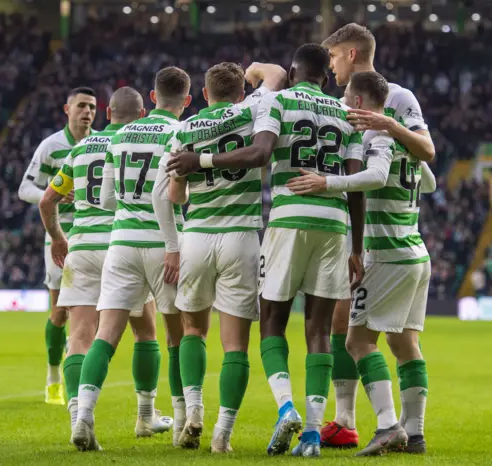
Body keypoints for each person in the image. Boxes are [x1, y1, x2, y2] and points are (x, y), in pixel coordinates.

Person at [167, 44, 365, 458]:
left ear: (294, 73)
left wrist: (199, 160)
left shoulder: (277, 102)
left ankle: (285, 406)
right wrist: (357, 248)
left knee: (271, 321)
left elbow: (259, 153)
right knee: (319, 330)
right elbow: (356, 183)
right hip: (334, 225)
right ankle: (311, 435)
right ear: (326, 78)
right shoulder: (345, 114)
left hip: (285, 220)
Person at [286, 71, 436, 456]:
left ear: (357, 102)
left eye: (346, 98)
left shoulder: (377, 135)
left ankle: (388, 425)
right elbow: (431, 183)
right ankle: (415, 433)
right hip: (415, 251)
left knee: (357, 340)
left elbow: (377, 175)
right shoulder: (405, 137)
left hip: (384, 253)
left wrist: (327, 183)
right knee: (404, 343)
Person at [153, 61, 286, 453]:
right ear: (240, 92)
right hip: (241, 238)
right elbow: (276, 74)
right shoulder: (251, 109)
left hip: (196, 238)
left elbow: (173, 196)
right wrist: (255, 69)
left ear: (205, 94)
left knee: (193, 330)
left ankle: (193, 411)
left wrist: (188, 183)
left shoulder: (183, 129)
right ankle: (222, 436)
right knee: (235, 346)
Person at [39, 86, 173, 442]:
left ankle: (78, 418)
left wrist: (57, 237)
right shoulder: (141, 142)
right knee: (145, 331)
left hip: (81, 248)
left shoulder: (81, 149)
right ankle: (146, 416)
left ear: (107, 114)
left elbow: (47, 201)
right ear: (142, 115)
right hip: (122, 244)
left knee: (81, 336)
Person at [71, 67, 192, 451]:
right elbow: (174, 196)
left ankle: (84, 417)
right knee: (175, 336)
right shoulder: (180, 133)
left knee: (105, 334)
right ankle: (179, 424)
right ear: (187, 101)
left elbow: (105, 201)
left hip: (120, 243)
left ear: (153, 97)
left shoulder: (119, 135)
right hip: (162, 244)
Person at [18, 87, 97, 405]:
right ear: (67, 109)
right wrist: (51, 194)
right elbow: (25, 188)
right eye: (81, 106)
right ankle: (54, 378)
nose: (87, 112)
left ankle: (79, 374)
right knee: (61, 313)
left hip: (96, 237)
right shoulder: (51, 146)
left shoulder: (102, 143)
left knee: (95, 316)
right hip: (61, 238)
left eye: (92, 107)